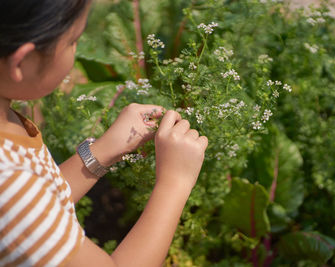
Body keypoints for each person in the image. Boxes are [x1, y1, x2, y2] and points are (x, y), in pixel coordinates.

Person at [0, 0, 208, 266]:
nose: (76, 49)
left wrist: (103, 150)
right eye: (73, 41)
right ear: (23, 61)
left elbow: (39, 202)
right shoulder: (7, 185)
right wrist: (174, 182)